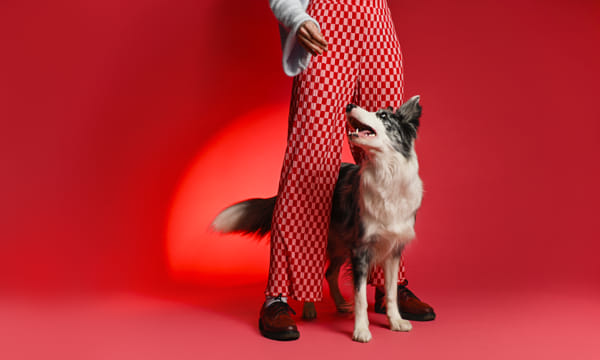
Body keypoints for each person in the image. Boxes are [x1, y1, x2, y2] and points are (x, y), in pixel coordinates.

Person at [260, 0, 435, 341]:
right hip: (325, 27)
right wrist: (296, 18)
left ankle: (390, 288)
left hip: (376, 28)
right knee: (309, 161)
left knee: (388, 148)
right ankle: (277, 296)